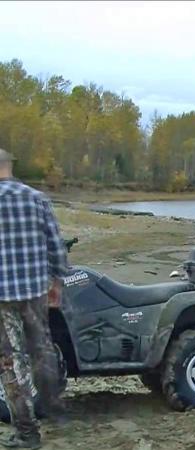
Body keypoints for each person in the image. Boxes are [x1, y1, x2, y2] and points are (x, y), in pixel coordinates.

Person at [0, 148, 68, 449]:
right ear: (10, 167)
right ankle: (53, 407)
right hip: (33, 291)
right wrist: (57, 283)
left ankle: (27, 432)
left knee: (9, 363)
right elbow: (55, 246)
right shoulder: (36, 198)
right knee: (42, 350)